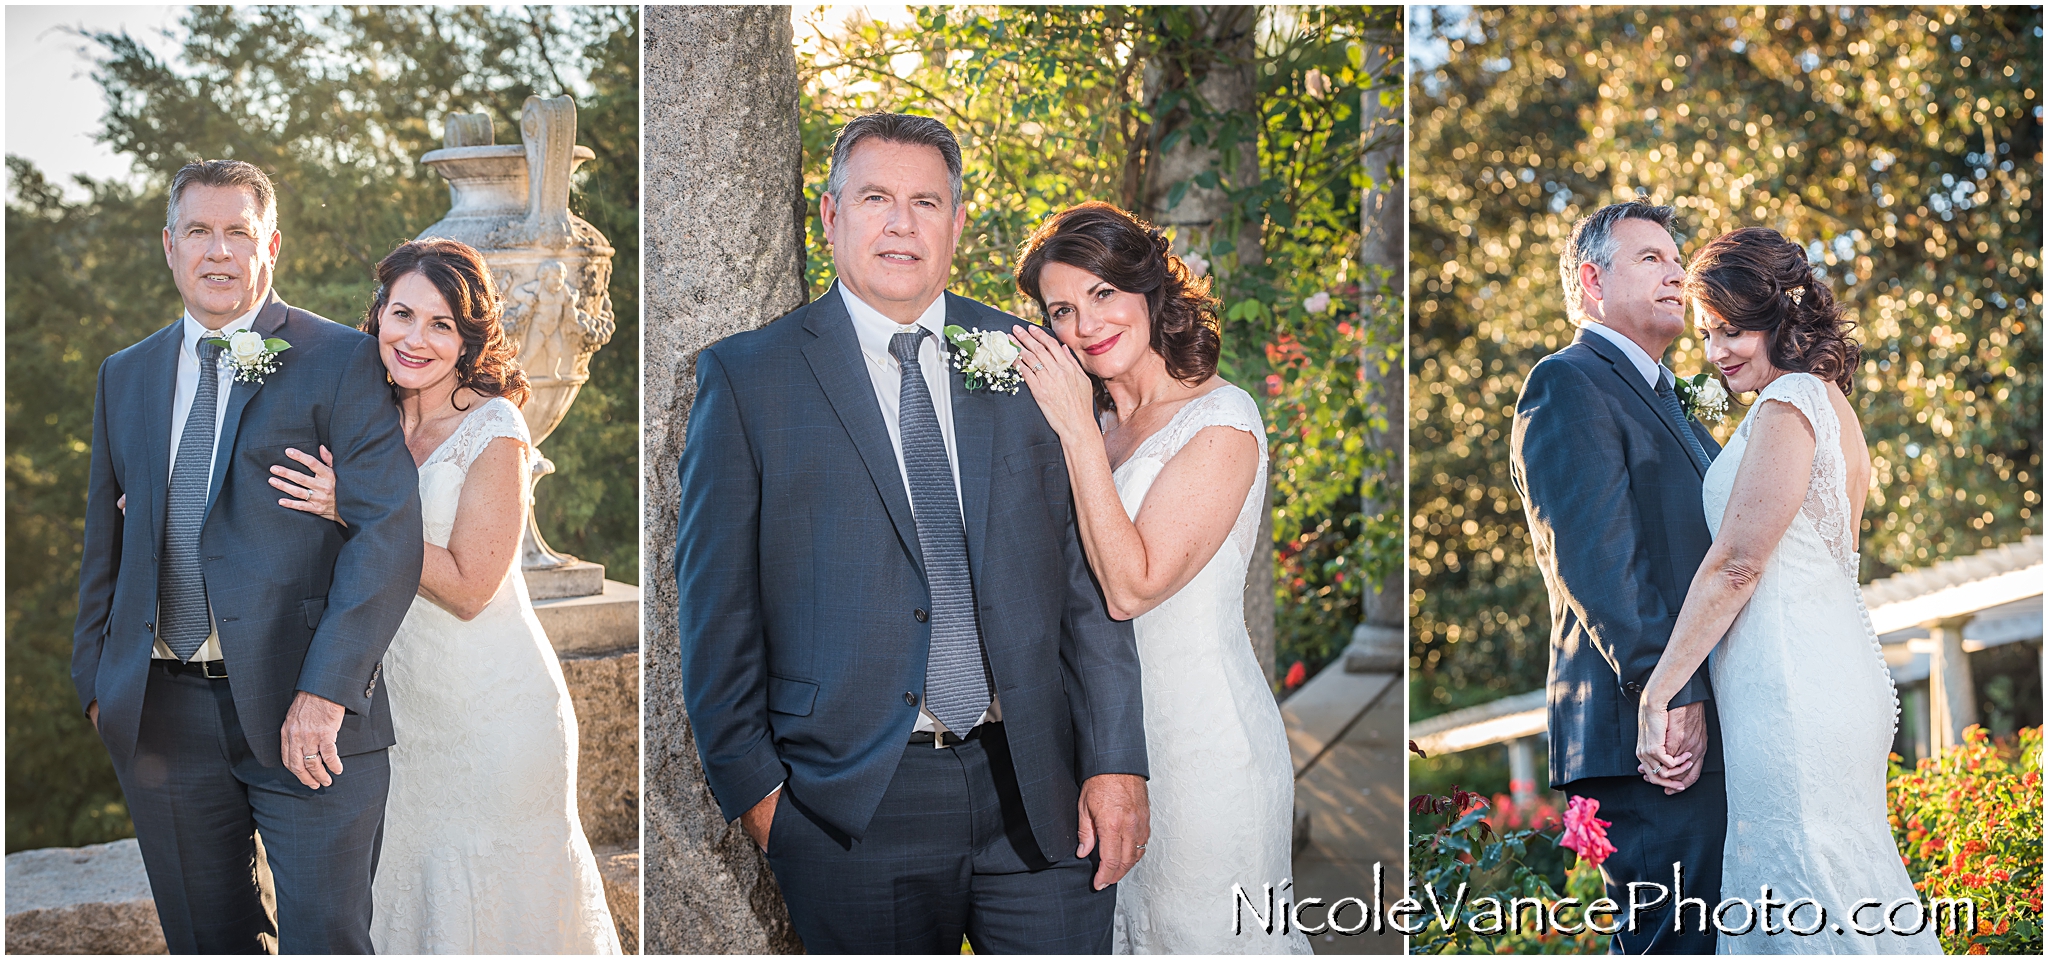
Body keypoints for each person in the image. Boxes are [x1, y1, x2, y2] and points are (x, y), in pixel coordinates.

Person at [673, 112, 1150, 954]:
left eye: (926, 202)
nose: (901, 224)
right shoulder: (750, 377)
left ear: (957, 223)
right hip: (850, 805)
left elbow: (1084, 579)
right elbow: (718, 612)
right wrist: (765, 805)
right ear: (830, 215)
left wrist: (1117, 762)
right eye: (877, 199)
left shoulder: (1030, 356)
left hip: (1043, 787)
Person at [71, 159, 423, 953]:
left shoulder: (340, 360)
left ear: (272, 245)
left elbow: (388, 537)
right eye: (199, 230)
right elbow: (105, 541)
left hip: (306, 714)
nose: (217, 251)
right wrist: (97, 682)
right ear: (170, 245)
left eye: (238, 232)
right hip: (159, 716)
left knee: (325, 939)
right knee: (206, 941)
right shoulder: (124, 376)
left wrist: (326, 693)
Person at [272, 238, 620, 954]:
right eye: (403, 314)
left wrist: (355, 508)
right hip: (399, 719)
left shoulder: (496, 430)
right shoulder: (364, 416)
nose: (416, 338)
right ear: (377, 316)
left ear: (469, 339)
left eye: (441, 325)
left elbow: (469, 584)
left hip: (492, 721)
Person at [1007, 202, 1311, 955]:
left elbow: (1132, 586)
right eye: (1064, 309)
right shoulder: (1099, 428)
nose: (1086, 324)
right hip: (1099, 747)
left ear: (1148, 290)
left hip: (1202, 749)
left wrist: (1075, 425)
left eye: (1104, 293)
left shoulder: (1221, 421)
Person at [1634, 227, 1940, 953]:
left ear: (1784, 317)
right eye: (1708, 333)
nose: (1716, 353)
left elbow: (1738, 563)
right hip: (1821, 678)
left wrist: (1659, 690)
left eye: (1733, 330)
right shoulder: (1828, 403)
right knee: (1842, 892)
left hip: (1794, 693)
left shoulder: (1791, 402)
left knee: (1798, 895)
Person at [1508, 200, 1725, 953]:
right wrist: (1678, 697)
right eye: (1651, 259)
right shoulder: (1567, 384)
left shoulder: (1671, 397)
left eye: (1676, 259)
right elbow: (1602, 568)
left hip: (1690, 717)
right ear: (1593, 281)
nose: (1677, 273)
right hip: (1646, 733)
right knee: (1673, 943)